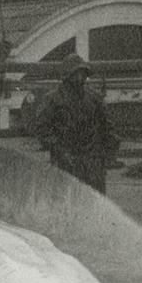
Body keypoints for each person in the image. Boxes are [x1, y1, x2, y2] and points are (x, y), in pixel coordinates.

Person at [33, 53, 119, 194]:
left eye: (83, 74)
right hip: (66, 161)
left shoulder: (94, 98)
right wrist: (58, 149)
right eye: (76, 74)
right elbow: (41, 128)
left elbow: (107, 127)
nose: (80, 78)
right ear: (67, 75)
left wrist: (108, 154)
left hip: (92, 163)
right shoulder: (53, 99)